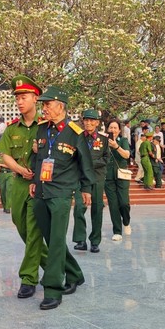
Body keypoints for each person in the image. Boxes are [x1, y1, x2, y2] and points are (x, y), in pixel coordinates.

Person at [31, 86, 93, 311]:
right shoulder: (41, 129)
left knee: (56, 241)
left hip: (62, 193)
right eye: (43, 105)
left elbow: (85, 163)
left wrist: (86, 189)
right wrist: (33, 182)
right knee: (52, 240)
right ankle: (75, 274)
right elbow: (36, 158)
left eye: (48, 104)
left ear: (60, 106)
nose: (44, 108)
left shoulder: (74, 132)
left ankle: (53, 289)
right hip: (41, 191)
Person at [0, 75, 46, 298]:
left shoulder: (46, 126)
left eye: (24, 97)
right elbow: (4, 154)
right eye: (17, 98)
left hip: (39, 185)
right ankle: (62, 265)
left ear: (35, 98)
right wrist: (18, 169)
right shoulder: (11, 128)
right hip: (18, 183)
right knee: (21, 226)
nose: (19, 101)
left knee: (34, 231)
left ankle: (28, 278)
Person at [72, 109, 110, 254]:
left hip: (97, 178)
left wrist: (88, 163)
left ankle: (95, 241)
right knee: (79, 208)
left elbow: (106, 158)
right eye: (86, 120)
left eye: (91, 120)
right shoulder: (77, 138)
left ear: (97, 123)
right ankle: (80, 240)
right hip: (81, 179)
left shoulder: (103, 139)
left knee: (97, 209)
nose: (88, 123)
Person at [104, 119, 132, 241]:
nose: (113, 130)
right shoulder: (103, 141)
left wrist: (116, 147)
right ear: (107, 129)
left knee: (124, 203)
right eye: (111, 128)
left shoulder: (123, 141)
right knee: (113, 205)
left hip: (122, 176)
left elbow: (126, 155)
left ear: (119, 130)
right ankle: (117, 231)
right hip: (108, 177)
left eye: (115, 128)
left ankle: (126, 221)